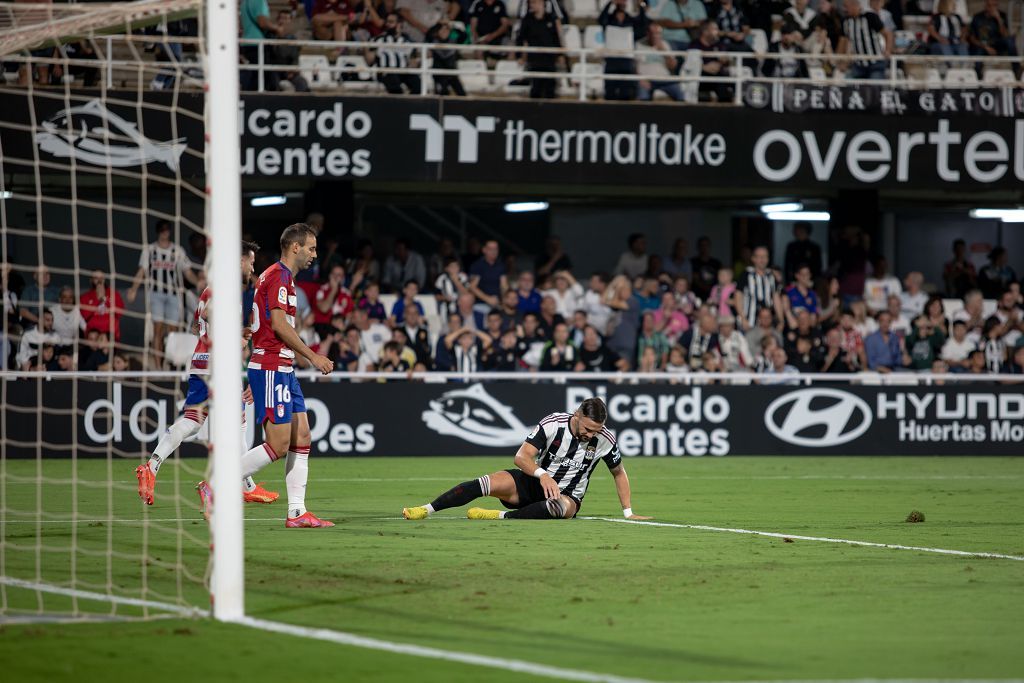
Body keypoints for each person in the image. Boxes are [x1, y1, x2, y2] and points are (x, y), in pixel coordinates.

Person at [136, 242, 279, 508]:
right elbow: (212, 315)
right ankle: (241, 485)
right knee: (240, 422)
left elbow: (197, 324)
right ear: (238, 261)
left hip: (200, 361)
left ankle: (152, 465)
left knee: (192, 420)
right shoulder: (225, 287)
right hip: (219, 365)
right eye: (250, 261)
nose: (252, 267)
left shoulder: (210, 288)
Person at [215, 224, 335, 529]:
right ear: (295, 247)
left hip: (279, 367)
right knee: (279, 444)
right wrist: (313, 356)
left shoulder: (279, 277)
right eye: (311, 248)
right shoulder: (279, 276)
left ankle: (297, 512)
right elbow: (280, 326)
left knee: (302, 436)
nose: (314, 254)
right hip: (272, 366)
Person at [402, 398, 650, 521]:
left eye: (596, 430)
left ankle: (497, 516)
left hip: (567, 496)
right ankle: (426, 509)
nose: (590, 435)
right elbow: (522, 457)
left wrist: (628, 512)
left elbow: (618, 472)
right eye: (587, 428)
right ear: (577, 415)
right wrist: (543, 475)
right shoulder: (553, 424)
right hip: (532, 483)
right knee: (485, 482)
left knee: (560, 509)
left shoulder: (604, 439)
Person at [127, 221, 200, 366]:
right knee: (157, 330)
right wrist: (133, 289)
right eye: (162, 230)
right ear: (158, 232)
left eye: (167, 230)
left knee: (173, 332)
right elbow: (142, 270)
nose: (165, 233)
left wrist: (199, 284)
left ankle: (171, 363)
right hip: (156, 294)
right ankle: (159, 366)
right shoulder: (150, 250)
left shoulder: (177, 251)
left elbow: (187, 272)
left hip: (173, 294)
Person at [598, 0, 649, 101]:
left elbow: (643, 26)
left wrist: (641, 6)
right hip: (611, 59)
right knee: (610, 90)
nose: (622, 3)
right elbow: (601, 19)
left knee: (626, 91)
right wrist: (610, 3)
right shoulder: (608, 19)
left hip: (626, 60)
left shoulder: (631, 20)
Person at [516, 0, 563, 99]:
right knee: (536, 88)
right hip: (534, 60)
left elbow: (556, 38)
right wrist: (520, 55)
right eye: (531, 3)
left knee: (550, 89)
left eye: (534, 2)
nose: (532, 5)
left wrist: (560, 55)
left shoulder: (551, 18)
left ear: (542, 3)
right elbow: (520, 38)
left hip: (549, 59)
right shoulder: (527, 19)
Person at [366, 12, 421, 94]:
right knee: (393, 81)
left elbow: (414, 62)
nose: (387, 24)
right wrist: (366, 48)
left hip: (403, 72)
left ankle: (413, 104)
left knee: (417, 83)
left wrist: (416, 61)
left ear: (399, 24)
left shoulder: (408, 41)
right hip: (386, 71)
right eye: (387, 22)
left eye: (391, 22)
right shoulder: (378, 40)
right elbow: (369, 61)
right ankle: (398, 104)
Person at [837, 0, 891, 80]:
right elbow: (843, 41)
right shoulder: (846, 22)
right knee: (848, 84)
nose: (844, 9)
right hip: (858, 64)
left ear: (854, 5)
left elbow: (888, 34)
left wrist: (888, 50)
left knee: (874, 86)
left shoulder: (870, 17)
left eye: (846, 6)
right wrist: (840, 61)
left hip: (875, 62)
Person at [636, 23, 684, 101]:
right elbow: (634, 66)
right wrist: (640, 79)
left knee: (680, 93)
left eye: (658, 34)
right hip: (646, 79)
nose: (655, 36)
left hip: (664, 79)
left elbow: (673, 66)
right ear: (647, 34)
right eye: (653, 33)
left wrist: (663, 51)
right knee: (643, 95)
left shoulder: (665, 44)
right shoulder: (639, 45)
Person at [740, 246, 781, 332]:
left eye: (765, 256)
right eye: (759, 256)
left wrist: (781, 320)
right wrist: (742, 318)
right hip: (749, 321)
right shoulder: (746, 274)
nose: (762, 259)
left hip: (768, 323)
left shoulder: (771, 275)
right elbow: (738, 297)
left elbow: (776, 298)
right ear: (753, 259)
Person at [81, 270, 124, 342]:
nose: (99, 280)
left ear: (104, 279)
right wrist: (98, 299)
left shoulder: (114, 294)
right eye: (96, 278)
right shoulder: (85, 297)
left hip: (110, 333)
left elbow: (119, 313)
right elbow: (85, 316)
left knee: (105, 338)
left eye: (101, 278)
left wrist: (104, 299)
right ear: (91, 280)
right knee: (94, 336)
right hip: (93, 333)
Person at [469, 239, 508, 311]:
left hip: (497, 304)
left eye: (495, 249)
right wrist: (488, 299)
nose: (493, 251)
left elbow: (504, 285)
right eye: (491, 249)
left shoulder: (501, 265)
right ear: (484, 250)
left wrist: (505, 301)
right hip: (481, 304)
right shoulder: (478, 265)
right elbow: (472, 286)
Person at [690, 236, 721, 301]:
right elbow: (694, 278)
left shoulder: (716, 263)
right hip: (696, 296)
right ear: (698, 247)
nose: (704, 247)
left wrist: (713, 291)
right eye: (702, 245)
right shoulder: (693, 262)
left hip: (713, 296)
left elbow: (720, 280)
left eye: (706, 245)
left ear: (709, 247)